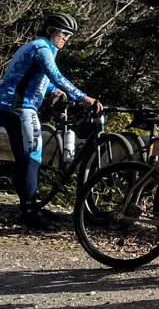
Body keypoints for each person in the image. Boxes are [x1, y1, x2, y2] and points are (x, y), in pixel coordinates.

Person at [0, 12, 103, 231]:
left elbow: (39, 78)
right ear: (50, 30)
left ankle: (29, 206)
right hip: (20, 107)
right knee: (32, 155)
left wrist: (53, 91)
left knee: (23, 158)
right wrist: (85, 97)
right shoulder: (42, 48)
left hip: (10, 106)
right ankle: (30, 212)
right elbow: (55, 75)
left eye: (70, 35)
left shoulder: (39, 46)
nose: (67, 38)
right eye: (64, 33)